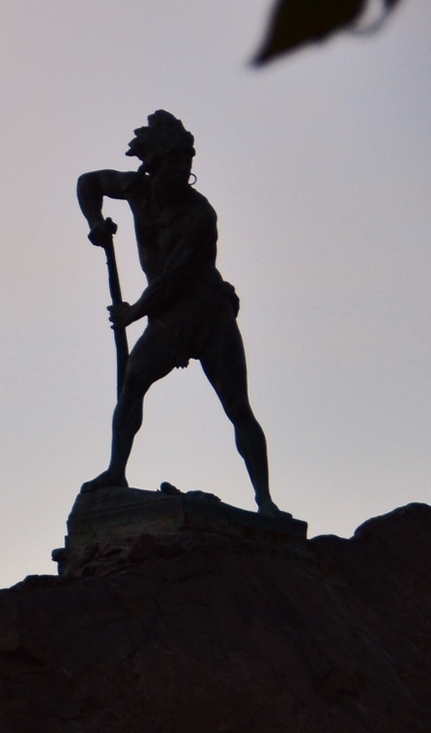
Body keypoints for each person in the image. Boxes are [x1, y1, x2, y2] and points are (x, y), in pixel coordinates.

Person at [78, 110, 282, 515]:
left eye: (188, 163)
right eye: (175, 162)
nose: (184, 170)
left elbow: (174, 278)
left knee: (237, 406)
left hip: (207, 314)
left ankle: (266, 501)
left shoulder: (200, 215)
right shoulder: (135, 189)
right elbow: (89, 183)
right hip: (166, 319)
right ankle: (116, 471)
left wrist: (133, 313)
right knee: (133, 381)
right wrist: (95, 222)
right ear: (154, 165)